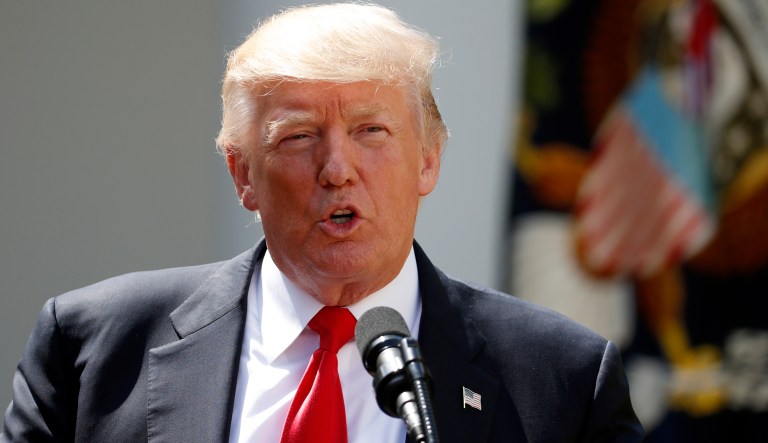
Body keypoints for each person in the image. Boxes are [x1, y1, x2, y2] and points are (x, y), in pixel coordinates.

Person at [1, 3, 643, 442]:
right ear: (242, 175)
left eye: (371, 130)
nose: (338, 168)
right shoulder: (93, 352)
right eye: (300, 136)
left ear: (428, 159)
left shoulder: (560, 380)